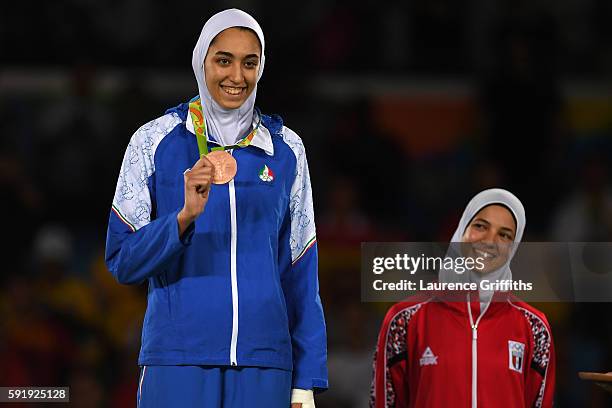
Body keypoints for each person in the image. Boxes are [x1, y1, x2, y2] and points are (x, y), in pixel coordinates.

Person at [105, 9, 327, 408]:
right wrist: (182, 217)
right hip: (178, 357)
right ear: (200, 61)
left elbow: (301, 270)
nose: (236, 77)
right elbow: (123, 260)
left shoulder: (286, 150)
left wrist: (305, 380)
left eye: (249, 62)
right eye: (223, 60)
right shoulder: (153, 141)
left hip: (266, 363)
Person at [370, 188, 555, 407]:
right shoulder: (405, 319)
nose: (490, 240)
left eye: (504, 235)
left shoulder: (534, 326)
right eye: (480, 226)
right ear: (461, 230)